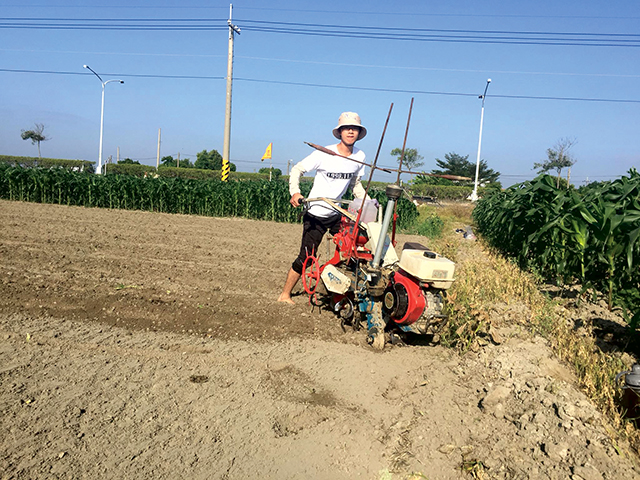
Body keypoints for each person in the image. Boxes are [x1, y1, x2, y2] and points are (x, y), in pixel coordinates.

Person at [277, 112, 368, 304]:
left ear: (359, 133)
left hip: (337, 214)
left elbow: (355, 184)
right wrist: (295, 192)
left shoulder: (360, 156)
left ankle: (340, 290)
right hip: (316, 214)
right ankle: (285, 294)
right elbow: (297, 169)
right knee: (306, 257)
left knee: (350, 252)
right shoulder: (324, 153)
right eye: (347, 128)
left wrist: (367, 201)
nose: (351, 131)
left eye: (355, 128)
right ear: (340, 132)